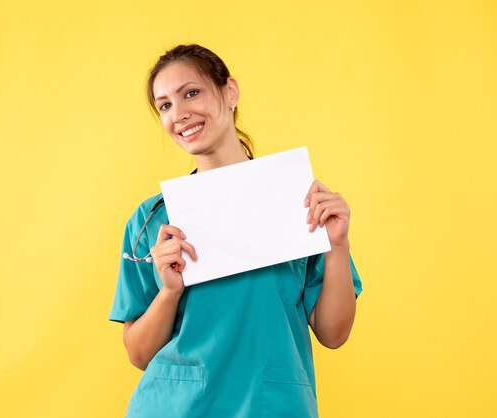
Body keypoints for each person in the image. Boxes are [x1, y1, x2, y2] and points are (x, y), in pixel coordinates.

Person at [109, 44, 363, 418]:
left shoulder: (297, 201)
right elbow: (139, 354)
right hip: (173, 408)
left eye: (190, 93)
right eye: (164, 105)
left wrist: (336, 245)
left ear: (230, 92)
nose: (178, 114)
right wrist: (169, 291)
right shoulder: (154, 221)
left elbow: (334, 333)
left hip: (272, 406)